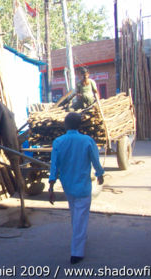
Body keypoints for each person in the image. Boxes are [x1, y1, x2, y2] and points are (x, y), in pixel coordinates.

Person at [48, 112, 104, 265]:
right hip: (83, 186)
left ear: (65, 125)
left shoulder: (58, 142)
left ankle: (80, 237)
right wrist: (100, 174)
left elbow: (54, 165)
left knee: (76, 214)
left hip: (68, 186)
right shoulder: (87, 141)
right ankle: (77, 252)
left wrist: (51, 186)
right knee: (80, 217)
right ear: (79, 125)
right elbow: (95, 160)